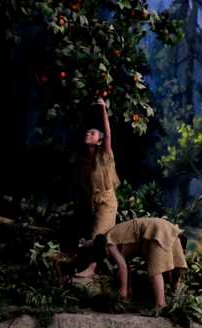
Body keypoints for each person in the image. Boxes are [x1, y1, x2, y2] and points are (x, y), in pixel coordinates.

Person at [77, 216, 187, 308]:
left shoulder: (109, 243)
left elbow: (122, 266)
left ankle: (161, 304)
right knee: (176, 265)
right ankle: (175, 294)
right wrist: (83, 243)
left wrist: (123, 291)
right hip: (167, 228)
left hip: (156, 230)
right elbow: (94, 243)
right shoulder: (109, 236)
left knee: (155, 269)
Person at [78, 97, 119, 239]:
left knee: (97, 239)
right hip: (91, 204)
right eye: (87, 132)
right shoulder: (85, 160)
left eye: (92, 133)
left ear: (99, 141)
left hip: (106, 204)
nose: (88, 134)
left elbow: (108, 134)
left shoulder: (104, 156)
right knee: (91, 240)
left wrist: (103, 108)